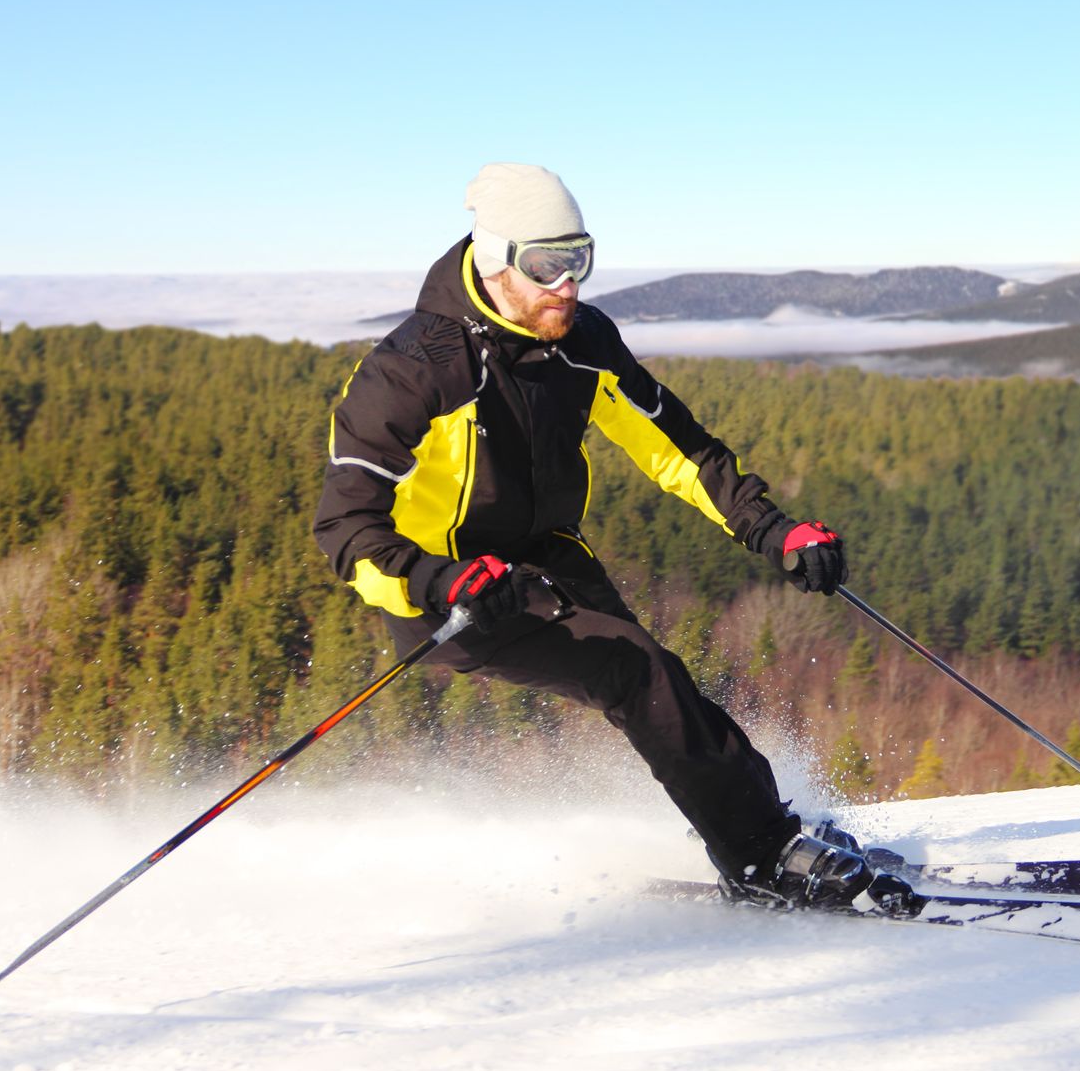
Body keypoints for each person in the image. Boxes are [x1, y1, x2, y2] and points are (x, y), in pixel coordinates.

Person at [313, 163, 875, 908]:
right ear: (495, 260)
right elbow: (344, 527)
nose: (568, 284)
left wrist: (773, 529)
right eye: (548, 264)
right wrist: (434, 581)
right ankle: (760, 856)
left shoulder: (582, 340)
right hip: (453, 595)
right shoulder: (415, 370)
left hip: (544, 563)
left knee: (657, 677)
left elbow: (674, 447)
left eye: (580, 258)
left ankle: (757, 826)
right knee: (637, 672)